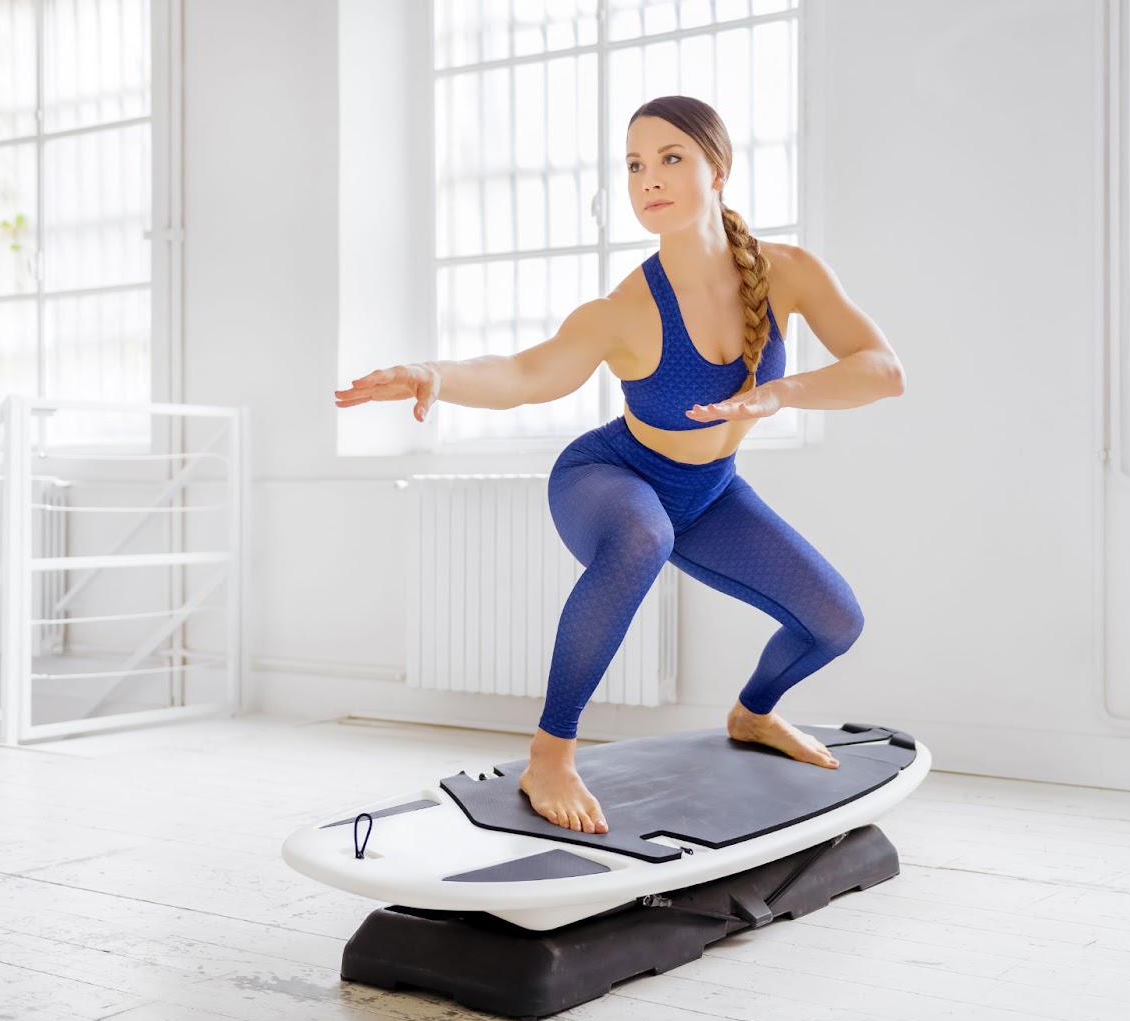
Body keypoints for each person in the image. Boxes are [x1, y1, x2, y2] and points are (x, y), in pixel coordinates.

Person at [335, 95, 903, 836]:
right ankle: (551, 754)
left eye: (671, 158)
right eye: (635, 164)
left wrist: (782, 393)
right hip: (611, 478)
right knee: (643, 538)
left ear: (719, 169)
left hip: (710, 493)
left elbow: (882, 371)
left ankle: (753, 714)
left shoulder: (787, 271)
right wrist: (435, 373)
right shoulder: (626, 309)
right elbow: (522, 373)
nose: (649, 179)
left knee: (834, 620)